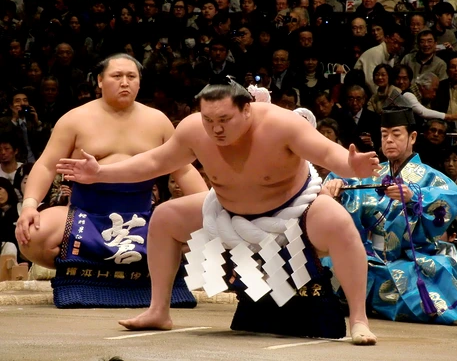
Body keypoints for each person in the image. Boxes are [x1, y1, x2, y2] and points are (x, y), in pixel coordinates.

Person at [56, 78, 381, 345]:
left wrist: (350, 166)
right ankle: (159, 310)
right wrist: (100, 173)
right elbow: (155, 162)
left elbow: (327, 152)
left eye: (224, 120)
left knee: (339, 223)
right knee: (167, 217)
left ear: (248, 110)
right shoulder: (194, 130)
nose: (216, 129)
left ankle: (358, 319)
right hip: (227, 211)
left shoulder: (283, 125)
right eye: (209, 120)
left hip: (294, 210)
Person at [15, 53, 207, 308]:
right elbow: (47, 164)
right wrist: (29, 205)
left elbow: (183, 171)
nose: (125, 82)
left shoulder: (157, 120)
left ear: (140, 83)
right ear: (99, 81)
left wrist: (207, 211)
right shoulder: (75, 119)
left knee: (201, 231)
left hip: (142, 215)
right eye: (117, 76)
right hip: (86, 213)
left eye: (131, 77)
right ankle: (85, 268)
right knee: (33, 234)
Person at [323, 108, 457, 324]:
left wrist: (414, 197)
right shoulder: (370, 172)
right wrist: (338, 188)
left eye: (396, 134)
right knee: (330, 259)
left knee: (412, 274)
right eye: (384, 135)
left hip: (408, 257)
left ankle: (364, 300)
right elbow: (347, 187)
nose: (389, 140)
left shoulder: (432, 177)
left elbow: (449, 201)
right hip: (367, 254)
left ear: (412, 137)